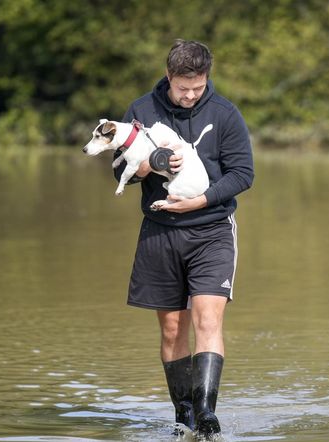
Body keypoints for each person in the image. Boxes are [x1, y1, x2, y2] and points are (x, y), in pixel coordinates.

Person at [112, 39, 254, 438]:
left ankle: (208, 416)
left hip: (211, 230)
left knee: (208, 319)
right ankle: (184, 416)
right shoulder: (141, 111)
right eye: (183, 88)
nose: (191, 96)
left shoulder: (225, 114)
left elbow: (243, 174)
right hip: (160, 232)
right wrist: (146, 167)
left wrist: (200, 202)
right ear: (169, 76)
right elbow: (117, 170)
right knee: (173, 330)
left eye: (198, 87)